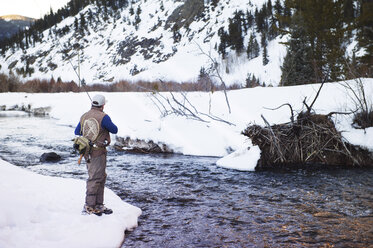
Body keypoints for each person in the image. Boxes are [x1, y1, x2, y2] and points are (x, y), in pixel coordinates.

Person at [74, 94, 118, 216]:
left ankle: (98, 205)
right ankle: (89, 206)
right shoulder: (104, 117)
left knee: (100, 177)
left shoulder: (84, 116)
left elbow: (77, 131)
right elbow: (115, 130)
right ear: (103, 105)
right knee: (95, 178)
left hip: (87, 152)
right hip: (98, 152)